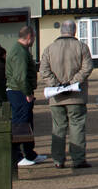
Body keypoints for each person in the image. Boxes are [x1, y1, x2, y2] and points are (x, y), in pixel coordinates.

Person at [39, 20, 94, 169]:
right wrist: (72, 83)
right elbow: (87, 67)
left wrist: (56, 84)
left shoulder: (49, 49)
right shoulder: (82, 47)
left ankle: (58, 160)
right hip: (76, 96)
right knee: (77, 127)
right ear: (74, 31)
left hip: (56, 96)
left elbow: (44, 70)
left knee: (58, 128)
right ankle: (78, 159)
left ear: (61, 31)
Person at [5, 26, 44, 167]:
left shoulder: (20, 50)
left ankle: (29, 153)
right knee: (20, 124)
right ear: (29, 37)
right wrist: (27, 93)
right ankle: (17, 156)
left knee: (26, 123)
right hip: (18, 92)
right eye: (33, 37)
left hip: (19, 91)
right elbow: (20, 76)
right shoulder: (20, 52)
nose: (34, 40)